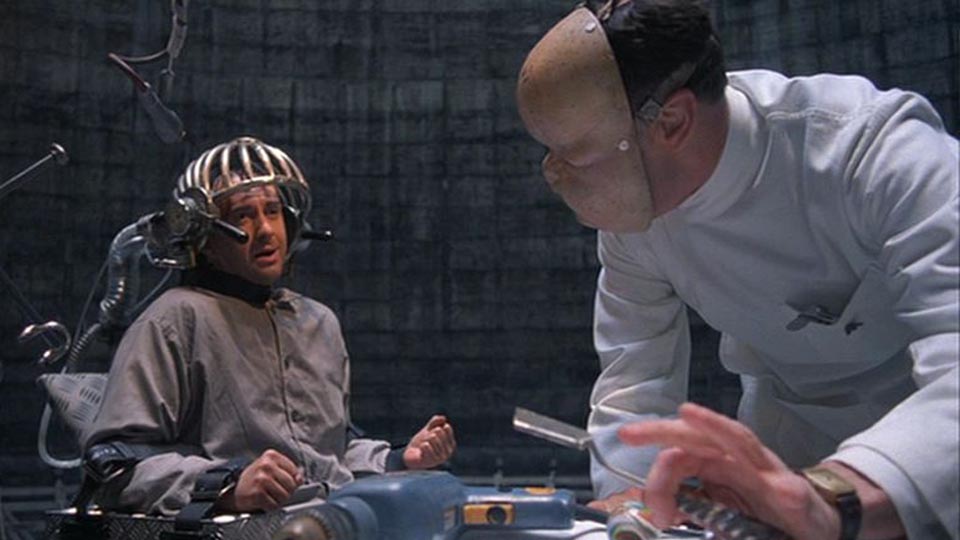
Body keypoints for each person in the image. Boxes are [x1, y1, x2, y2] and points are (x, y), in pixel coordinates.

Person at [516, 1, 958, 539]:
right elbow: (636, 379)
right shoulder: (641, 210)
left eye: (576, 153)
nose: (556, 173)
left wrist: (838, 494)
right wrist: (634, 504)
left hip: (929, 466)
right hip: (784, 465)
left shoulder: (876, 152)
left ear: (672, 121)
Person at [82, 137, 456, 516]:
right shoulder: (174, 319)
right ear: (204, 238)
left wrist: (398, 459)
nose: (265, 230)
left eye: (273, 211)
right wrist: (225, 487)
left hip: (335, 520)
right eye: (243, 216)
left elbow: (328, 451)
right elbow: (116, 466)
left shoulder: (318, 322)